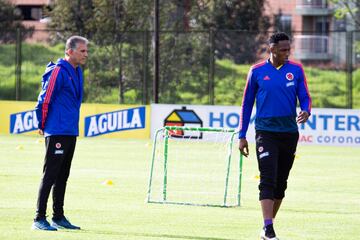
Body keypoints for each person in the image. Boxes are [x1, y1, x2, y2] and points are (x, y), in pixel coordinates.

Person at [238, 32, 311, 240]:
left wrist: (306, 110)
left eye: (289, 49)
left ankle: (267, 226)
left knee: (281, 183)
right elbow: (246, 104)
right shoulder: (257, 71)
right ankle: (268, 228)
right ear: (272, 49)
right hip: (265, 132)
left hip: (289, 133)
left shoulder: (296, 70)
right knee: (267, 178)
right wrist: (242, 135)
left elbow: (305, 96)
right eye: (283, 50)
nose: (287, 53)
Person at [32, 36, 89, 231]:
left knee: (63, 175)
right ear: (70, 51)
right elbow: (45, 98)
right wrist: (42, 122)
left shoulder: (78, 71)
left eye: (86, 51)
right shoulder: (57, 70)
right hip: (56, 130)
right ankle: (39, 218)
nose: (86, 54)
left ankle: (58, 216)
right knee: (50, 175)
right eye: (82, 51)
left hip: (70, 130)